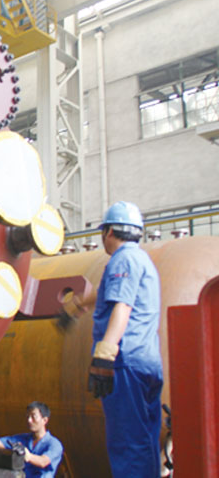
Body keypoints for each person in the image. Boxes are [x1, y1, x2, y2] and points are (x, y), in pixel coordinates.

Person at [89, 201, 163, 477]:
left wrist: (104, 356)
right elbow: (111, 292)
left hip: (124, 362)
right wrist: (78, 303)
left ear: (108, 232)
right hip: (146, 362)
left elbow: (123, 305)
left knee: (127, 443)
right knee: (145, 439)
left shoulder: (122, 259)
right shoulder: (142, 260)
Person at [0, 402, 63, 478]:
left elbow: (43, 462)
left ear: (45, 420)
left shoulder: (54, 444)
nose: (29, 420)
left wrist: (27, 455)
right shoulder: (23, 438)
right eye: (28, 417)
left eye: (33, 417)